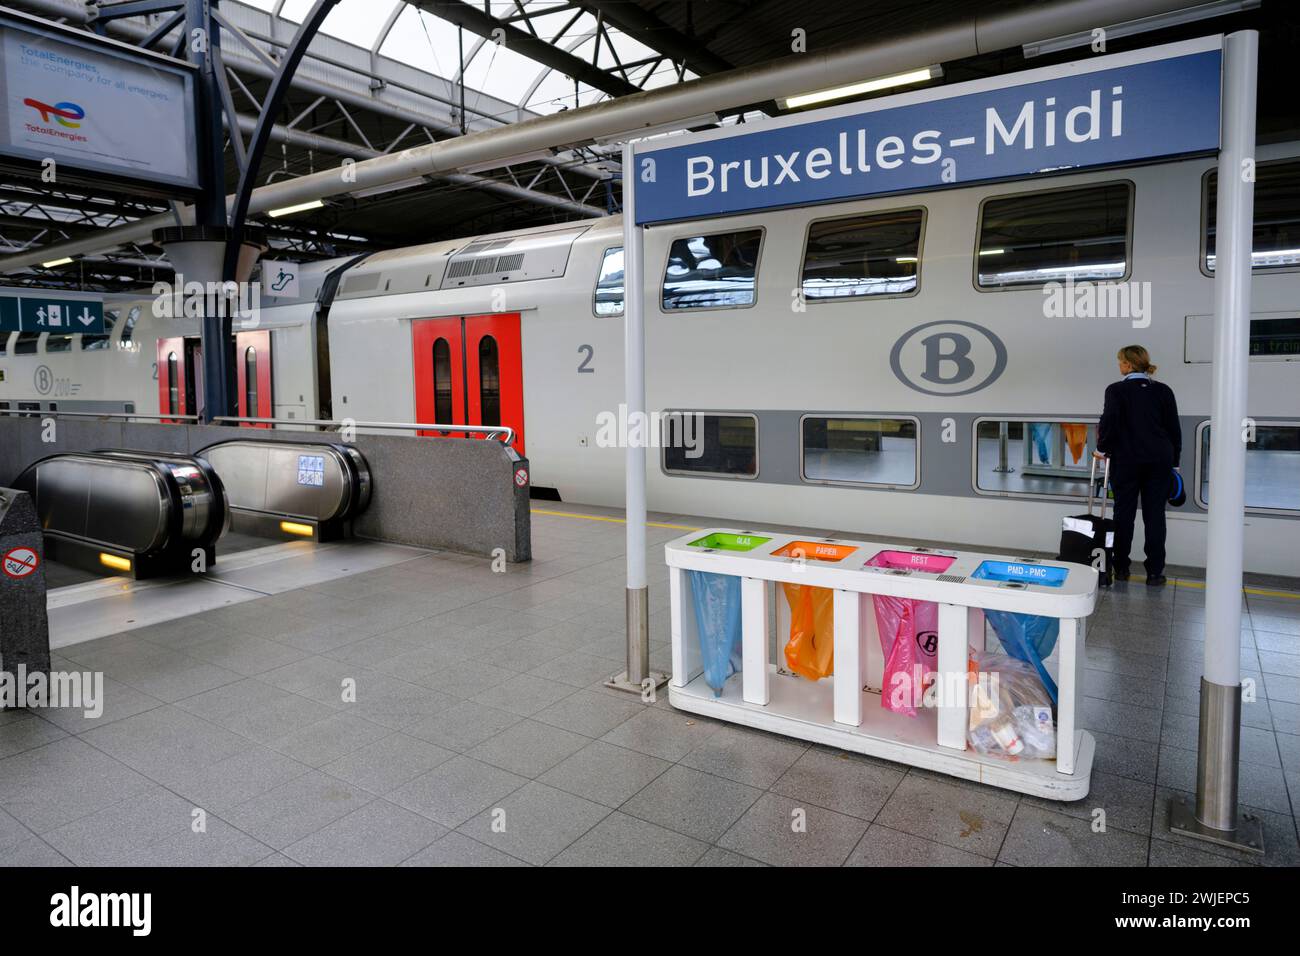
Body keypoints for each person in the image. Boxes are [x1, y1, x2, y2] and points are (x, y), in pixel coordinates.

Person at [1094, 345, 1181, 586]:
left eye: (1120, 361)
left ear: (1128, 365)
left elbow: (1108, 422)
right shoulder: (1163, 391)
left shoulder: (1116, 390)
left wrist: (1101, 449)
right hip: (1160, 461)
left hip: (1126, 460)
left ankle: (1121, 568)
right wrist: (1175, 464)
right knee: (1156, 516)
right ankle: (1155, 572)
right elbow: (1174, 429)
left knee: (1123, 514)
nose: (1119, 365)